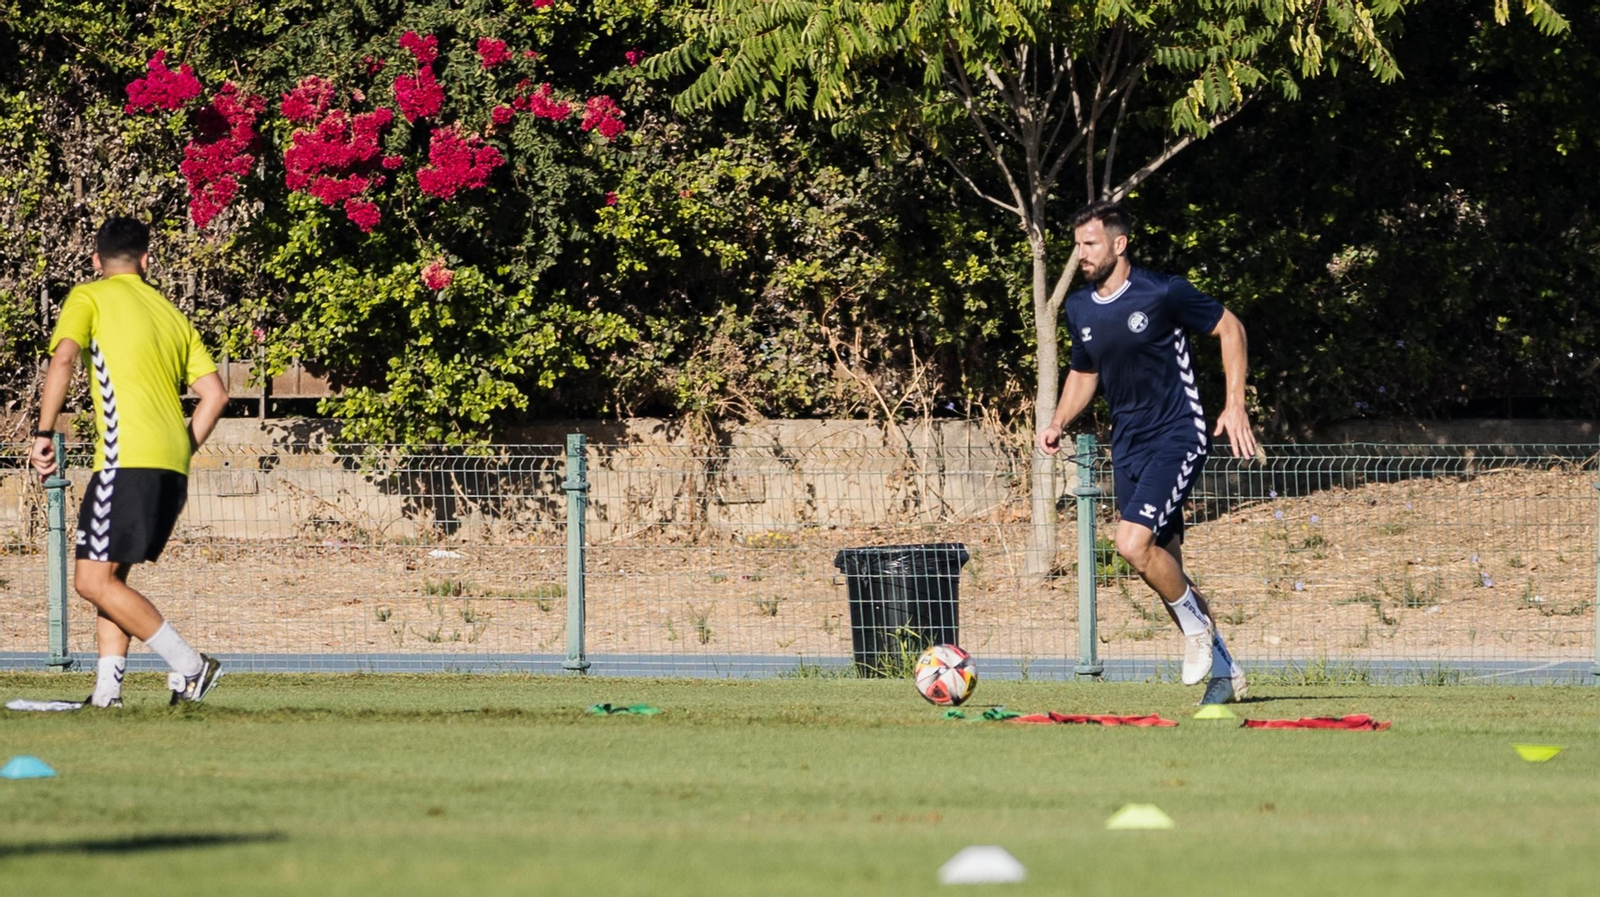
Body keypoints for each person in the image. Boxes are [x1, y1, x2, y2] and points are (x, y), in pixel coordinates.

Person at [1039, 201, 1258, 704]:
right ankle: (1227, 674)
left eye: (1090, 244)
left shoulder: (1163, 292)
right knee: (1164, 566)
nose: (1081, 255)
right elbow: (1085, 372)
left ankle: (1198, 633)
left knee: (1131, 544)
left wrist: (1236, 404)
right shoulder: (1079, 307)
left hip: (1178, 433)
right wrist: (1057, 421)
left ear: (1119, 244)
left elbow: (1231, 328)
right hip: (1129, 446)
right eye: (1076, 245)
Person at [29, 217, 230, 708]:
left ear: (96, 261)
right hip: (171, 465)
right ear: (146, 259)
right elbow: (215, 395)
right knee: (111, 579)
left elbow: (63, 359)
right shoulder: (171, 314)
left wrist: (43, 430)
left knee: (90, 580)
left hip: (124, 462)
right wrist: (178, 448)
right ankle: (106, 693)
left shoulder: (89, 296)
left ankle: (191, 665)